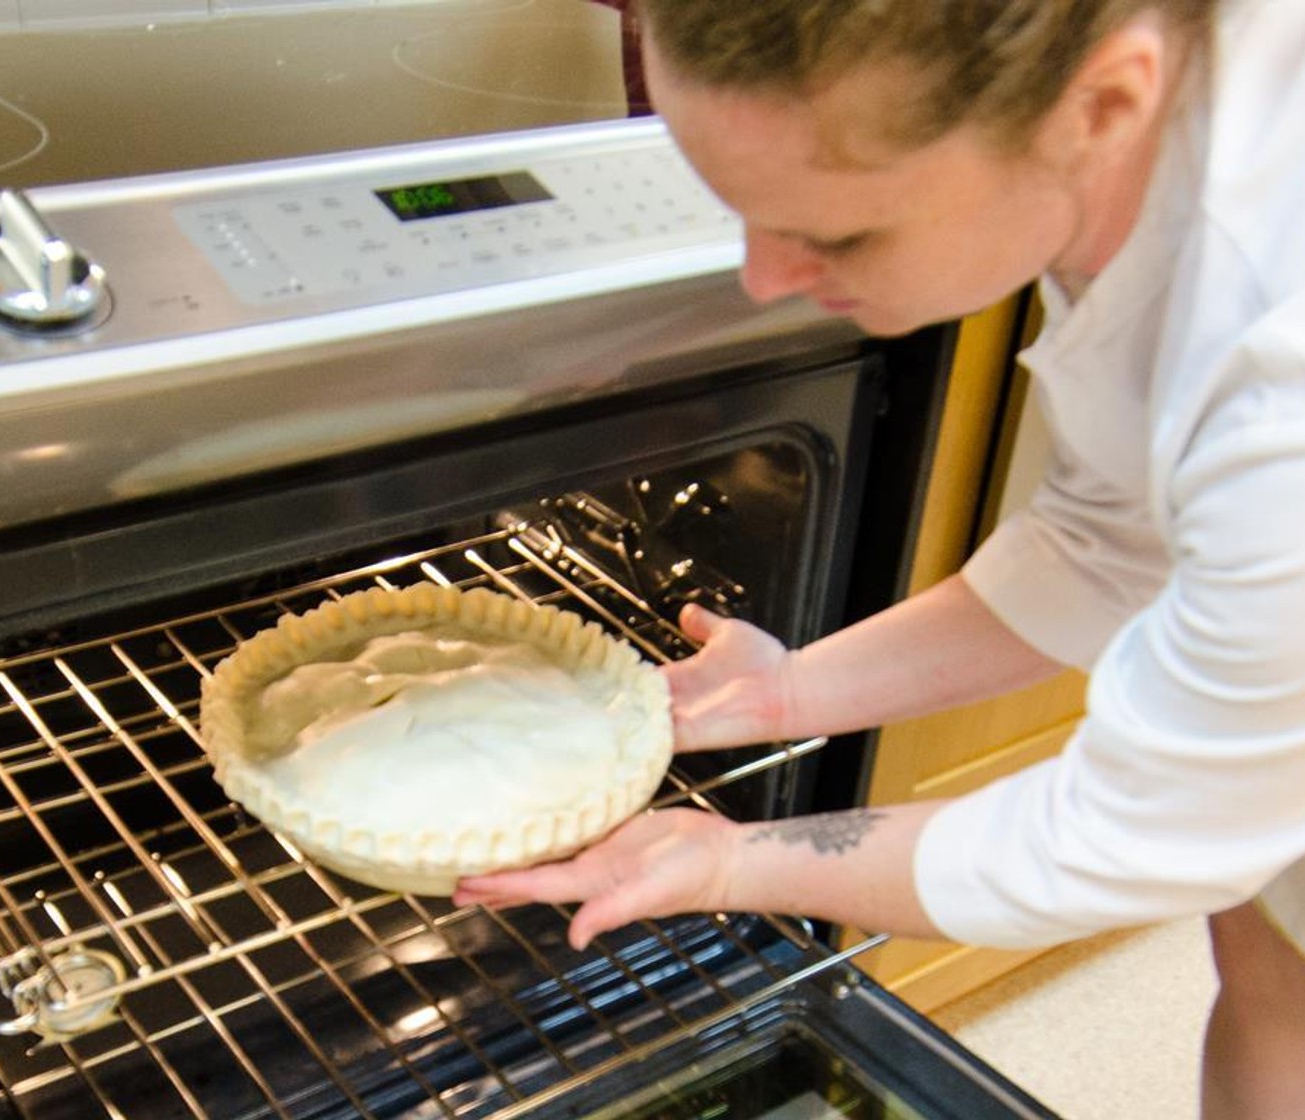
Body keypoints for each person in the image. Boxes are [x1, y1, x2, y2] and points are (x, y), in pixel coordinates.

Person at [454, 2, 1305, 1115]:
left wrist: (730, 863)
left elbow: (1124, 833)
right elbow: (1108, 541)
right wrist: (794, 689)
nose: (763, 277)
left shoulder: (1275, 379)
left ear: (1101, 105)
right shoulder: (1128, 127)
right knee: (1275, 962)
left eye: (841, 233)